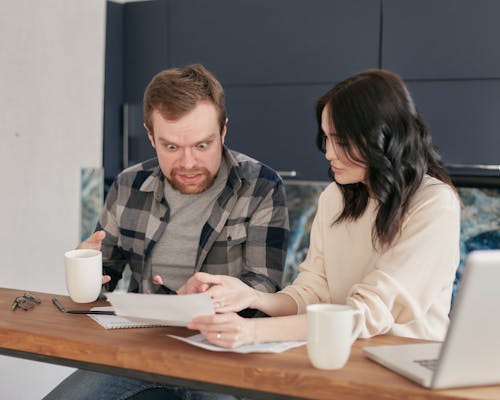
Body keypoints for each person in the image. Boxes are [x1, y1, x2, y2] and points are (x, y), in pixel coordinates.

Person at [44, 64, 289, 399]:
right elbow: (107, 278)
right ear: (150, 136)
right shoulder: (129, 184)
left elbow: (263, 286)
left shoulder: (260, 185)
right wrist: (89, 269)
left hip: (222, 351)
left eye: (202, 145)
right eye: (171, 147)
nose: (188, 163)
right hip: (140, 346)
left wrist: (209, 298)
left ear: (223, 131)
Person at [186, 69, 461, 348]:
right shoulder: (336, 197)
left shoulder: (434, 203)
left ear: (382, 137)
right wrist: (252, 297)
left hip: (408, 366)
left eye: (340, 141)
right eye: (327, 138)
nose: (329, 153)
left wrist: (254, 331)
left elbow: (368, 311)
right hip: (344, 355)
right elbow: (313, 291)